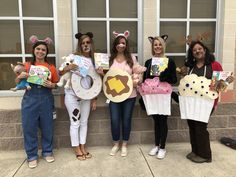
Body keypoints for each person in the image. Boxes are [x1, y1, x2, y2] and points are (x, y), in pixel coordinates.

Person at [184, 40, 234, 163]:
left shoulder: (214, 65)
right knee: (192, 126)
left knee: (200, 127)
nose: (197, 51)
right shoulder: (191, 66)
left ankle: (205, 155)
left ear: (205, 50)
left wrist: (227, 81)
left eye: (199, 49)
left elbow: (220, 85)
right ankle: (195, 151)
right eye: (194, 50)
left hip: (207, 102)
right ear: (192, 53)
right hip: (191, 102)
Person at [18, 35, 59, 168]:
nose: (40, 52)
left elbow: (57, 84)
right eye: (38, 49)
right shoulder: (27, 65)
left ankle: (47, 152)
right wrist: (21, 77)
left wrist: (51, 85)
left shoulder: (51, 67)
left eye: (43, 50)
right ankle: (32, 156)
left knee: (48, 127)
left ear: (47, 52)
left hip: (47, 99)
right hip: (30, 99)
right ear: (34, 50)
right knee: (29, 128)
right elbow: (18, 83)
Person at [99, 31, 139, 157]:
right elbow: (107, 77)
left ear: (126, 45)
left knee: (126, 120)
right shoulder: (109, 59)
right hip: (114, 95)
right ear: (115, 45)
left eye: (123, 43)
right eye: (118, 43)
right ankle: (116, 144)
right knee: (115, 120)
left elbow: (137, 73)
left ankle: (125, 144)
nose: (120, 45)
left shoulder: (131, 58)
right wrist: (101, 74)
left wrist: (137, 79)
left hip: (130, 95)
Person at [60, 32, 97, 160]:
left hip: (86, 96)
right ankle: (76, 148)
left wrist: (94, 99)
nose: (85, 45)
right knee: (75, 122)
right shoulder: (73, 57)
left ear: (91, 44)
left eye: (87, 42)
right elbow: (60, 72)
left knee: (84, 122)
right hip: (72, 95)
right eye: (83, 43)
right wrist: (67, 67)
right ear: (79, 45)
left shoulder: (94, 60)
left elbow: (95, 81)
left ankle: (82, 146)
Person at [143, 35, 177, 159]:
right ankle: (156, 145)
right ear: (153, 47)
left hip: (163, 96)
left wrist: (164, 76)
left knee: (163, 121)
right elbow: (145, 79)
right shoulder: (149, 62)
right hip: (152, 95)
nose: (157, 47)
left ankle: (163, 147)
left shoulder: (169, 61)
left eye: (159, 44)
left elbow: (174, 79)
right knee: (156, 121)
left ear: (163, 46)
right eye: (155, 45)